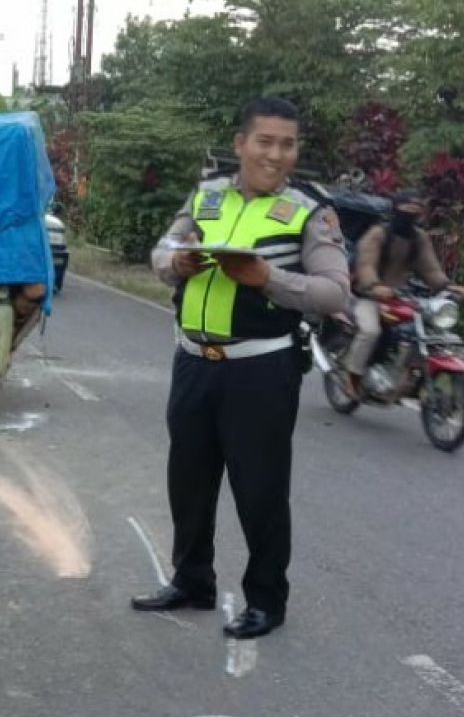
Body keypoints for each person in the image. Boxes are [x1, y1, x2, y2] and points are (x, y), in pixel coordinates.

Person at [130, 97, 351, 639]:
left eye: (288, 144)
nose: (276, 154)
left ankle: (266, 600)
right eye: (265, 141)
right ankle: (192, 581)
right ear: (241, 144)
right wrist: (175, 261)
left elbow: (333, 290)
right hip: (193, 363)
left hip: (261, 370)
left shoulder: (310, 210)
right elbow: (162, 250)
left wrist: (267, 278)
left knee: (260, 490)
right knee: (188, 481)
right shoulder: (205, 196)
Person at [343, 189, 464, 398]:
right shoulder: (378, 234)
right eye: (406, 208)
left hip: (399, 297)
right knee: (371, 331)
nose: (411, 212)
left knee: (423, 333)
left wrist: (448, 286)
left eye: (416, 209)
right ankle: (352, 378)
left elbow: (430, 269)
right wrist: (374, 285)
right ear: (395, 208)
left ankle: (405, 376)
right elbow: (365, 263)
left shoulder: (419, 238)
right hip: (367, 296)